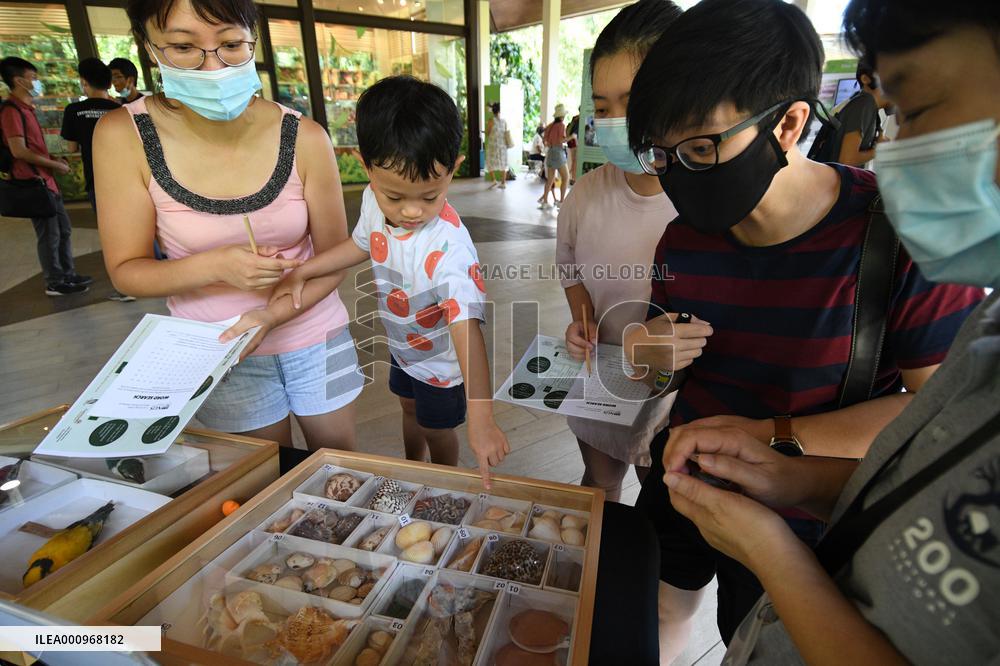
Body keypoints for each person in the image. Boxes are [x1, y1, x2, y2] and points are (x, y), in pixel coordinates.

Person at [622, 0, 985, 660]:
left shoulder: (899, 235)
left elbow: (930, 413)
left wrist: (773, 439)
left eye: (701, 148)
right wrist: (646, 356)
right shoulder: (683, 238)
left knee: (748, 635)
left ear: (787, 123)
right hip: (681, 474)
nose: (678, 174)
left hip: (804, 512)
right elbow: (661, 369)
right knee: (655, 608)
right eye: (661, 155)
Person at [94, 0, 362, 451]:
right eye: (184, 47)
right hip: (217, 349)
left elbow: (335, 258)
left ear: (253, 40)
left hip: (316, 334)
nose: (213, 66)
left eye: (232, 44)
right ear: (149, 46)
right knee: (263, 474)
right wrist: (216, 266)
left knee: (341, 466)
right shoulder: (123, 136)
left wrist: (271, 315)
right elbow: (127, 271)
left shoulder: (306, 136)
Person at [270, 76, 511, 489]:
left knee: (437, 429)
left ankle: (442, 480)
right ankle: (413, 467)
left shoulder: (449, 250)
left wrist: (482, 417)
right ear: (367, 167)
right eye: (395, 197)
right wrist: (304, 269)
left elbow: (466, 331)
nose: (411, 212)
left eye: (430, 196)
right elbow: (360, 245)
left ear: (453, 169)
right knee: (407, 409)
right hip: (402, 347)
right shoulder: (372, 199)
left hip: (442, 366)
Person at [556, 0, 681, 503]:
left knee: (665, 502)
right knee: (600, 484)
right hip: (604, 378)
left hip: (675, 396)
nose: (615, 122)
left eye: (631, 103)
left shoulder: (704, 201)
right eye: (603, 108)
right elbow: (570, 270)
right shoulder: (584, 196)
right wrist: (582, 323)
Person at [0, 56, 92, 296]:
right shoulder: (11, 112)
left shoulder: (27, 110)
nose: (37, 82)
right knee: (49, 235)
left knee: (63, 230)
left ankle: (68, 274)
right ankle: (55, 281)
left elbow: (34, 147)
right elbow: (19, 151)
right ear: (19, 81)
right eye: (33, 78)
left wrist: (53, 160)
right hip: (34, 183)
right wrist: (53, 164)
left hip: (46, 180)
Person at [61, 58, 136, 303]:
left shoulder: (74, 111)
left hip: (98, 180)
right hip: (129, 177)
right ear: (108, 82)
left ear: (84, 82)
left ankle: (126, 286)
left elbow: (71, 147)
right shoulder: (121, 109)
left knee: (112, 234)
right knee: (137, 227)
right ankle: (143, 278)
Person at [812, 56, 893, 166]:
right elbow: (847, 160)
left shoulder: (866, 105)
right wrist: (879, 150)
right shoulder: (865, 103)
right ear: (866, 79)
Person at [540, 104, 569, 208]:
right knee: (566, 177)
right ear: (562, 116)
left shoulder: (550, 126)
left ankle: (545, 202)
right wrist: (572, 137)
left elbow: (544, 141)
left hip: (550, 152)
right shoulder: (561, 125)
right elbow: (561, 140)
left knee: (550, 179)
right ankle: (561, 201)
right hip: (558, 152)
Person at [484, 101, 508, 190]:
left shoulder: (491, 121)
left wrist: (486, 131)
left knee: (490, 162)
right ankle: (503, 183)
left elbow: (487, 133)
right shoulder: (504, 121)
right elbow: (505, 132)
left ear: (493, 111)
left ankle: (494, 180)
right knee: (503, 163)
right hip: (502, 146)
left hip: (493, 146)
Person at [566, 112, 580, 185]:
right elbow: (575, 134)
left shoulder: (575, 118)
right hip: (575, 143)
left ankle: (571, 178)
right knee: (575, 162)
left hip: (571, 144)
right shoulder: (579, 120)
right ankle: (573, 179)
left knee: (573, 161)